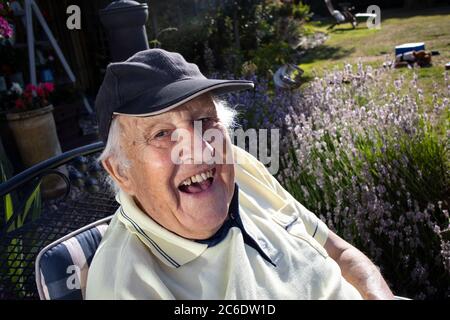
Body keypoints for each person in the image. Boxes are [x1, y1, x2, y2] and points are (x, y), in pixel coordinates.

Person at [86, 49, 394, 300]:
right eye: (162, 133)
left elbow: (339, 254)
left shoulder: (241, 169)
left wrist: (379, 295)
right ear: (120, 171)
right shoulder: (127, 287)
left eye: (205, 120)